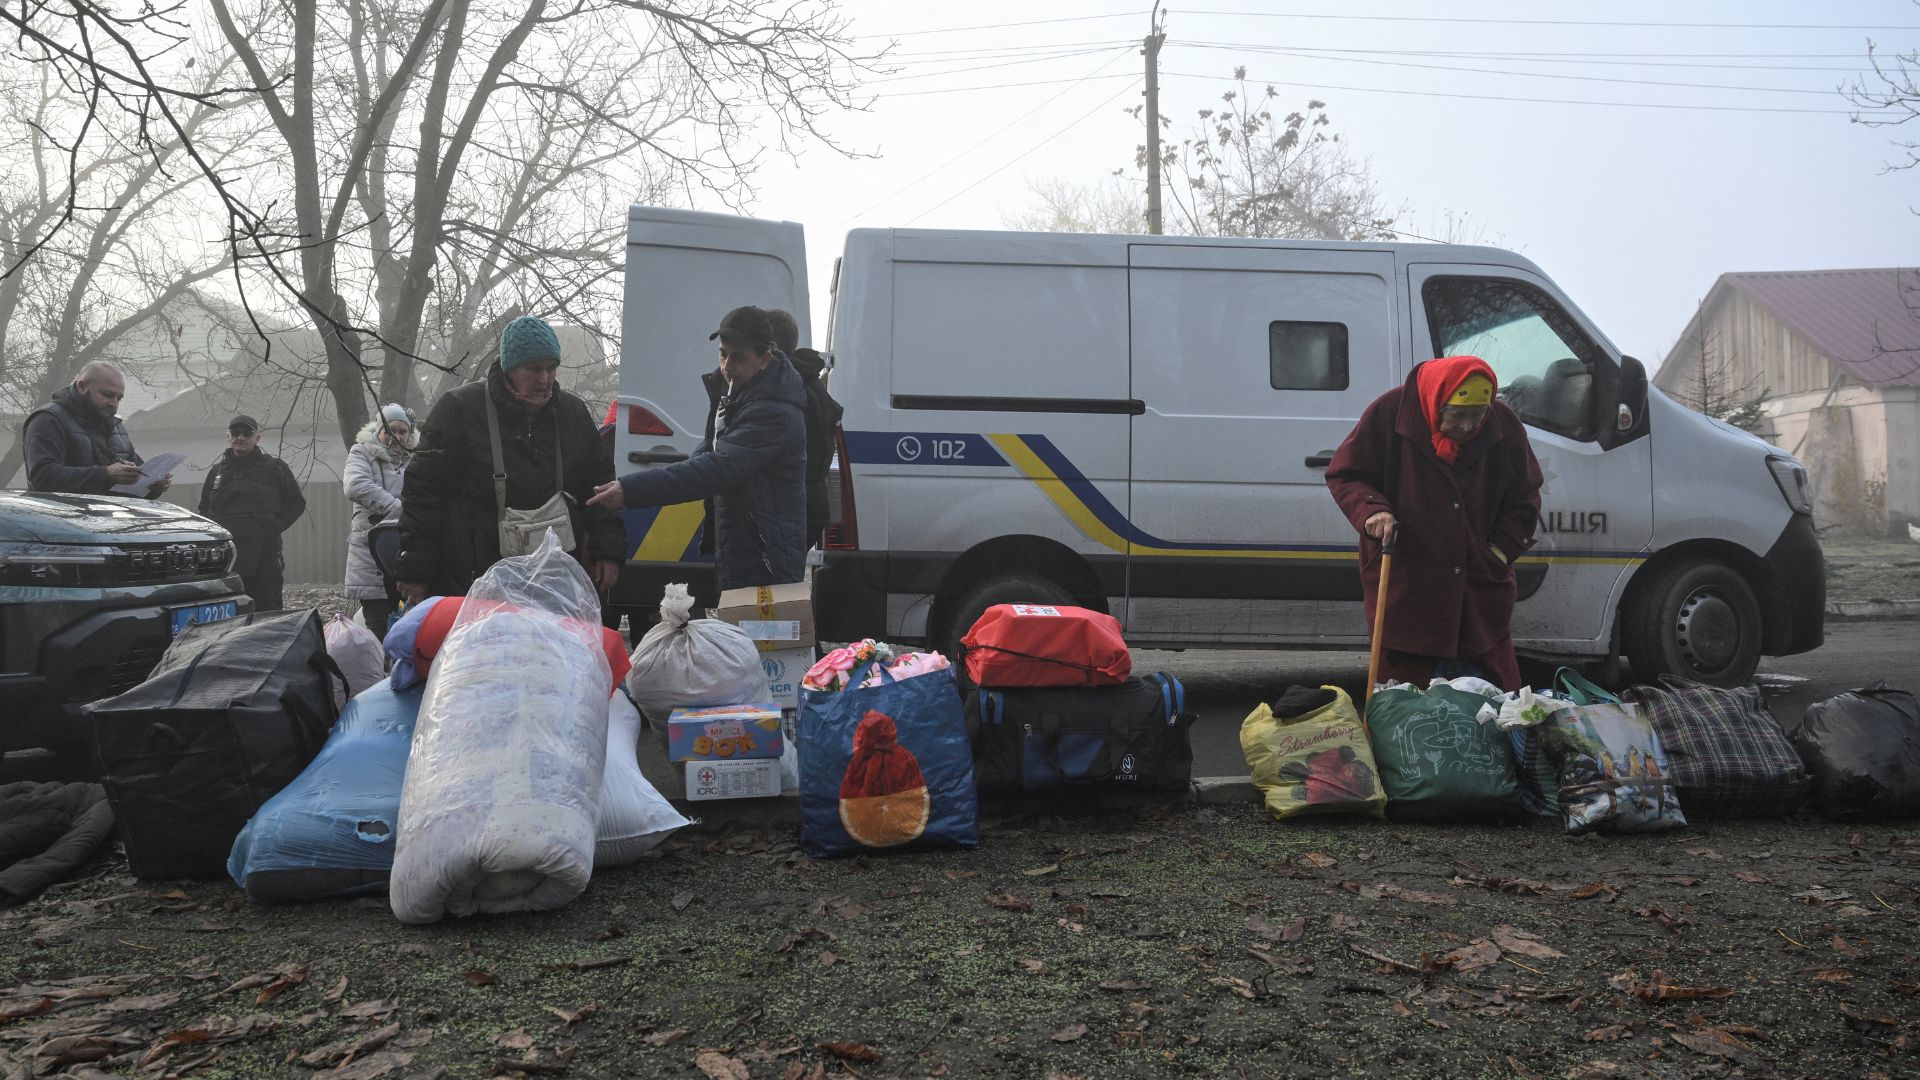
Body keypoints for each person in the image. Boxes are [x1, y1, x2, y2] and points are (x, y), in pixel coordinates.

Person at [1325, 355, 1543, 691]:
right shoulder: (1389, 413)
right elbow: (1346, 474)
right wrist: (1372, 512)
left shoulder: (1503, 424)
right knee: (1404, 703)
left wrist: (1499, 550)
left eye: (1478, 415)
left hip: (1478, 583)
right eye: (1458, 415)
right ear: (1436, 401)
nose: (1469, 427)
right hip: (1408, 581)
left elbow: (1525, 497)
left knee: (1492, 701)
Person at [394, 315, 624, 604]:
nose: (545, 379)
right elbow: (423, 492)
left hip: (553, 580)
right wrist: (416, 569)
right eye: (534, 369)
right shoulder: (460, 410)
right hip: (473, 580)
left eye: (551, 369)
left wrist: (608, 551)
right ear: (509, 368)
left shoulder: (573, 414)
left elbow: (599, 487)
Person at [587, 305, 806, 589]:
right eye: (723, 354)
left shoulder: (773, 413)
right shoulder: (740, 399)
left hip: (766, 560)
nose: (727, 366)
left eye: (738, 357)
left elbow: (715, 469)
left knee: (756, 633)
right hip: (746, 551)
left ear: (765, 358)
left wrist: (630, 490)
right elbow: (704, 459)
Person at [199, 415, 307, 612]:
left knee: (267, 616)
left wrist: (274, 526)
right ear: (228, 437)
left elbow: (296, 503)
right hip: (226, 561)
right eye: (235, 433)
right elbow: (204, 510)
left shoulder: (275, 468)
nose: (241, 437)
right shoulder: (216, 473)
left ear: (257, 438)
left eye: (247, 433)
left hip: (264, 557)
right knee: (228, 616)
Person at [23, 362, 171, 498]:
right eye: (107, 394)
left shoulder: (116, 428)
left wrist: (154, 485)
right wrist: (106, 475)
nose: (113, 404)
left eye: (119, 398)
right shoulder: (48, 420)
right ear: (82, 387)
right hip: (61, 522)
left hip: (109, 522)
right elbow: (42, 478)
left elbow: (135, 482)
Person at [764, 308, 844, 549]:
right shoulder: (806, 385)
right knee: (779, 583)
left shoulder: (787, 394)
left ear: (771, 348)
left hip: (785, 513)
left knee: (770, 585)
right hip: (804, 509)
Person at [343, 403, 416, 640]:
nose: (396, 436)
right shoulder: (361, 452)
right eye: (389, 430)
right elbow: (356, 486)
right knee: (378, 626)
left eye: (402, 431)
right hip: (369, 554)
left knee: (411, 624)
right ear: (378, 432)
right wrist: (401, 510)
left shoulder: (419, 457)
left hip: (409, 552)